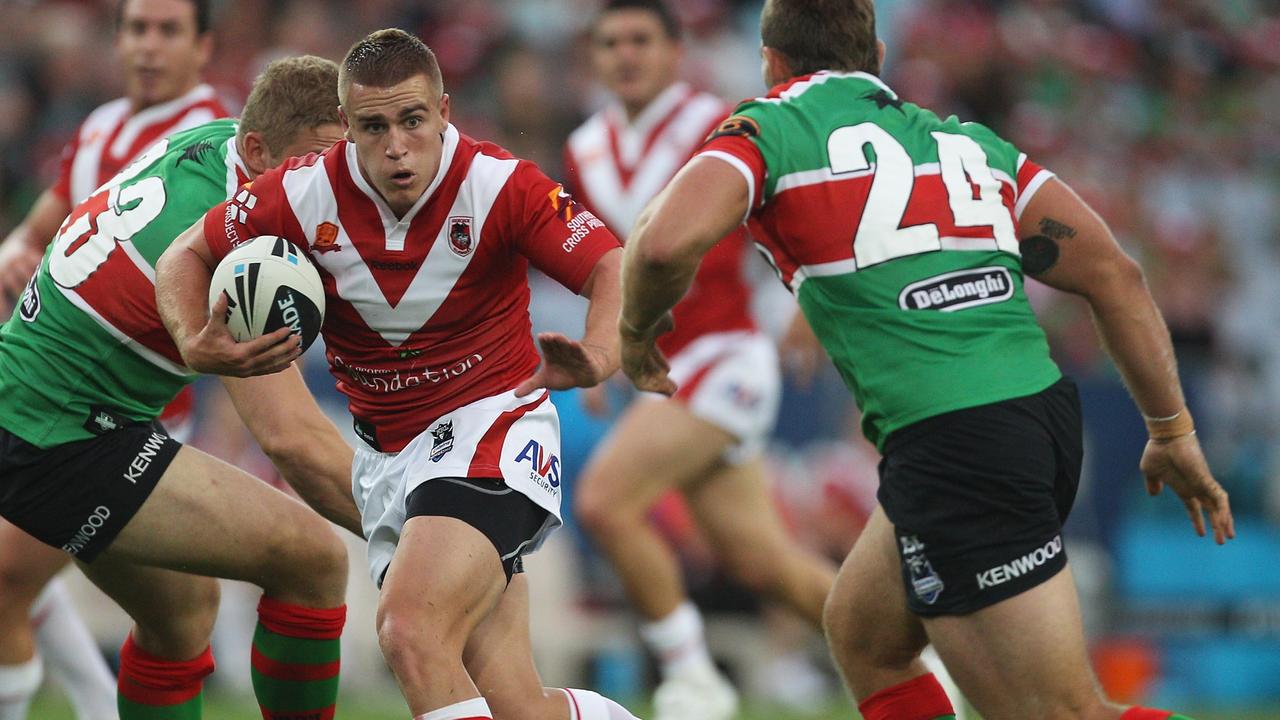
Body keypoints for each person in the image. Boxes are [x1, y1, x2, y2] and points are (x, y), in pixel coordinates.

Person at [615, 1, 1236, 719]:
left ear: (772, 61)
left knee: (1062, 713)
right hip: (1034, 419)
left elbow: (663, 243)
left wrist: (634, 335)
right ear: (877, 53)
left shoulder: (771, 125)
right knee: (863, 634)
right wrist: (1172, 431)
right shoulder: (967, 144)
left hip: (956, 442)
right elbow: (1117, 276)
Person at [157, 28, 641, 720]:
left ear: (444, 111)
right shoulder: (303, 193)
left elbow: (611, 266)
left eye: (412, 120)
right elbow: (185, 254)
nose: (395, 146)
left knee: (408, 632)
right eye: (373, 126)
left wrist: (598, 355)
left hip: (493, 434)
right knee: (516, 705)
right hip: (388, 462)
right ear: (347, 130)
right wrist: (193, 340)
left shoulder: (500, 185)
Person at [0, 55, 360, 720]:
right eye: (321, 162)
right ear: (258, 149)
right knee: (312, 562)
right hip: (64, 435)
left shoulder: (218, 141)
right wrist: (416, 531)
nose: (335, 183)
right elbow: (294, 443)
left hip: (46, 407)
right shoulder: (241, 244)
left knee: (182, 619)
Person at [564, 3, 837, 718]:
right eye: (611, 42)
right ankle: (922, 655)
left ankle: (693, 679)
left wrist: (810, 301)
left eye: (641, 40)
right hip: (660, 371)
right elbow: (607, 263)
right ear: (594, 56)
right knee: (763, 563)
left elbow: (802, 203)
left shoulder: (723, 123)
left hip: (727, 357)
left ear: (676, 51)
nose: (626, 54)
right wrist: (606, 348)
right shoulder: (586, 146)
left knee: (604, 500)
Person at [0, 2, 226, 717]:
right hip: (63, 406)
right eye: (136, 28)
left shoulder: (216, 138)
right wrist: (15, 252)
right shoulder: (100, 126)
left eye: (167, 31)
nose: (147, 46)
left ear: (204, 46)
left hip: (138, 424)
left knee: (11, 575)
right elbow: (43, 223)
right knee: (27, 583)